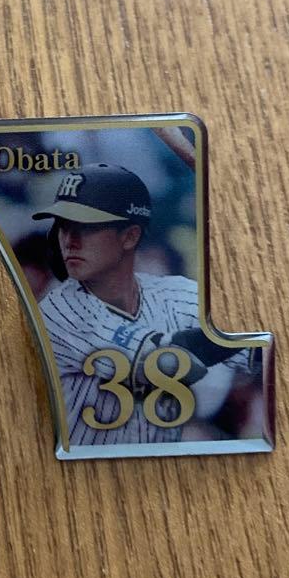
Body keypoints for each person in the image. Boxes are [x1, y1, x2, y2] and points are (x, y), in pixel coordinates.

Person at [34, 164, 244, 446]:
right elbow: (174, 355)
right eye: (64, 226)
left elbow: (215, 382)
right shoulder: (60, 306)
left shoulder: (174, 294)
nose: (70, 241)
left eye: (87, 228)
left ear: (130, 237)